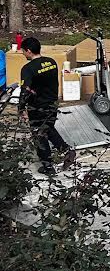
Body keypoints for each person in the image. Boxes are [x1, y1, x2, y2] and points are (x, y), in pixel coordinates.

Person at [19, 37, 76, 176]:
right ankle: (67, 151)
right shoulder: (51, 62)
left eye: (23, 51)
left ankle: (47, 166)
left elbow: (25, 89)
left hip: (37, 106)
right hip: (52, 103)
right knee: (48, 128)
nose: (22, 54)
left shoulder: (28, 69)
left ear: (28, 51)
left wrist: (21, 108)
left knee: (39, 134)